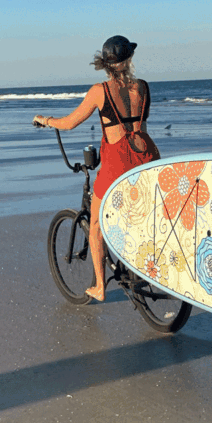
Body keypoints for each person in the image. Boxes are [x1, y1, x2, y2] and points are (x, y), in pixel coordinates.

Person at [33, 35, 160, 302]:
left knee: (96, 226)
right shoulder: (144, 87)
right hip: (147, 155)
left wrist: (45, 120)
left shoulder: (99, 91)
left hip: (118, 161)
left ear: (106, 64)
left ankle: (101, 287)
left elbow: (69, 123)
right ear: (129, 60)